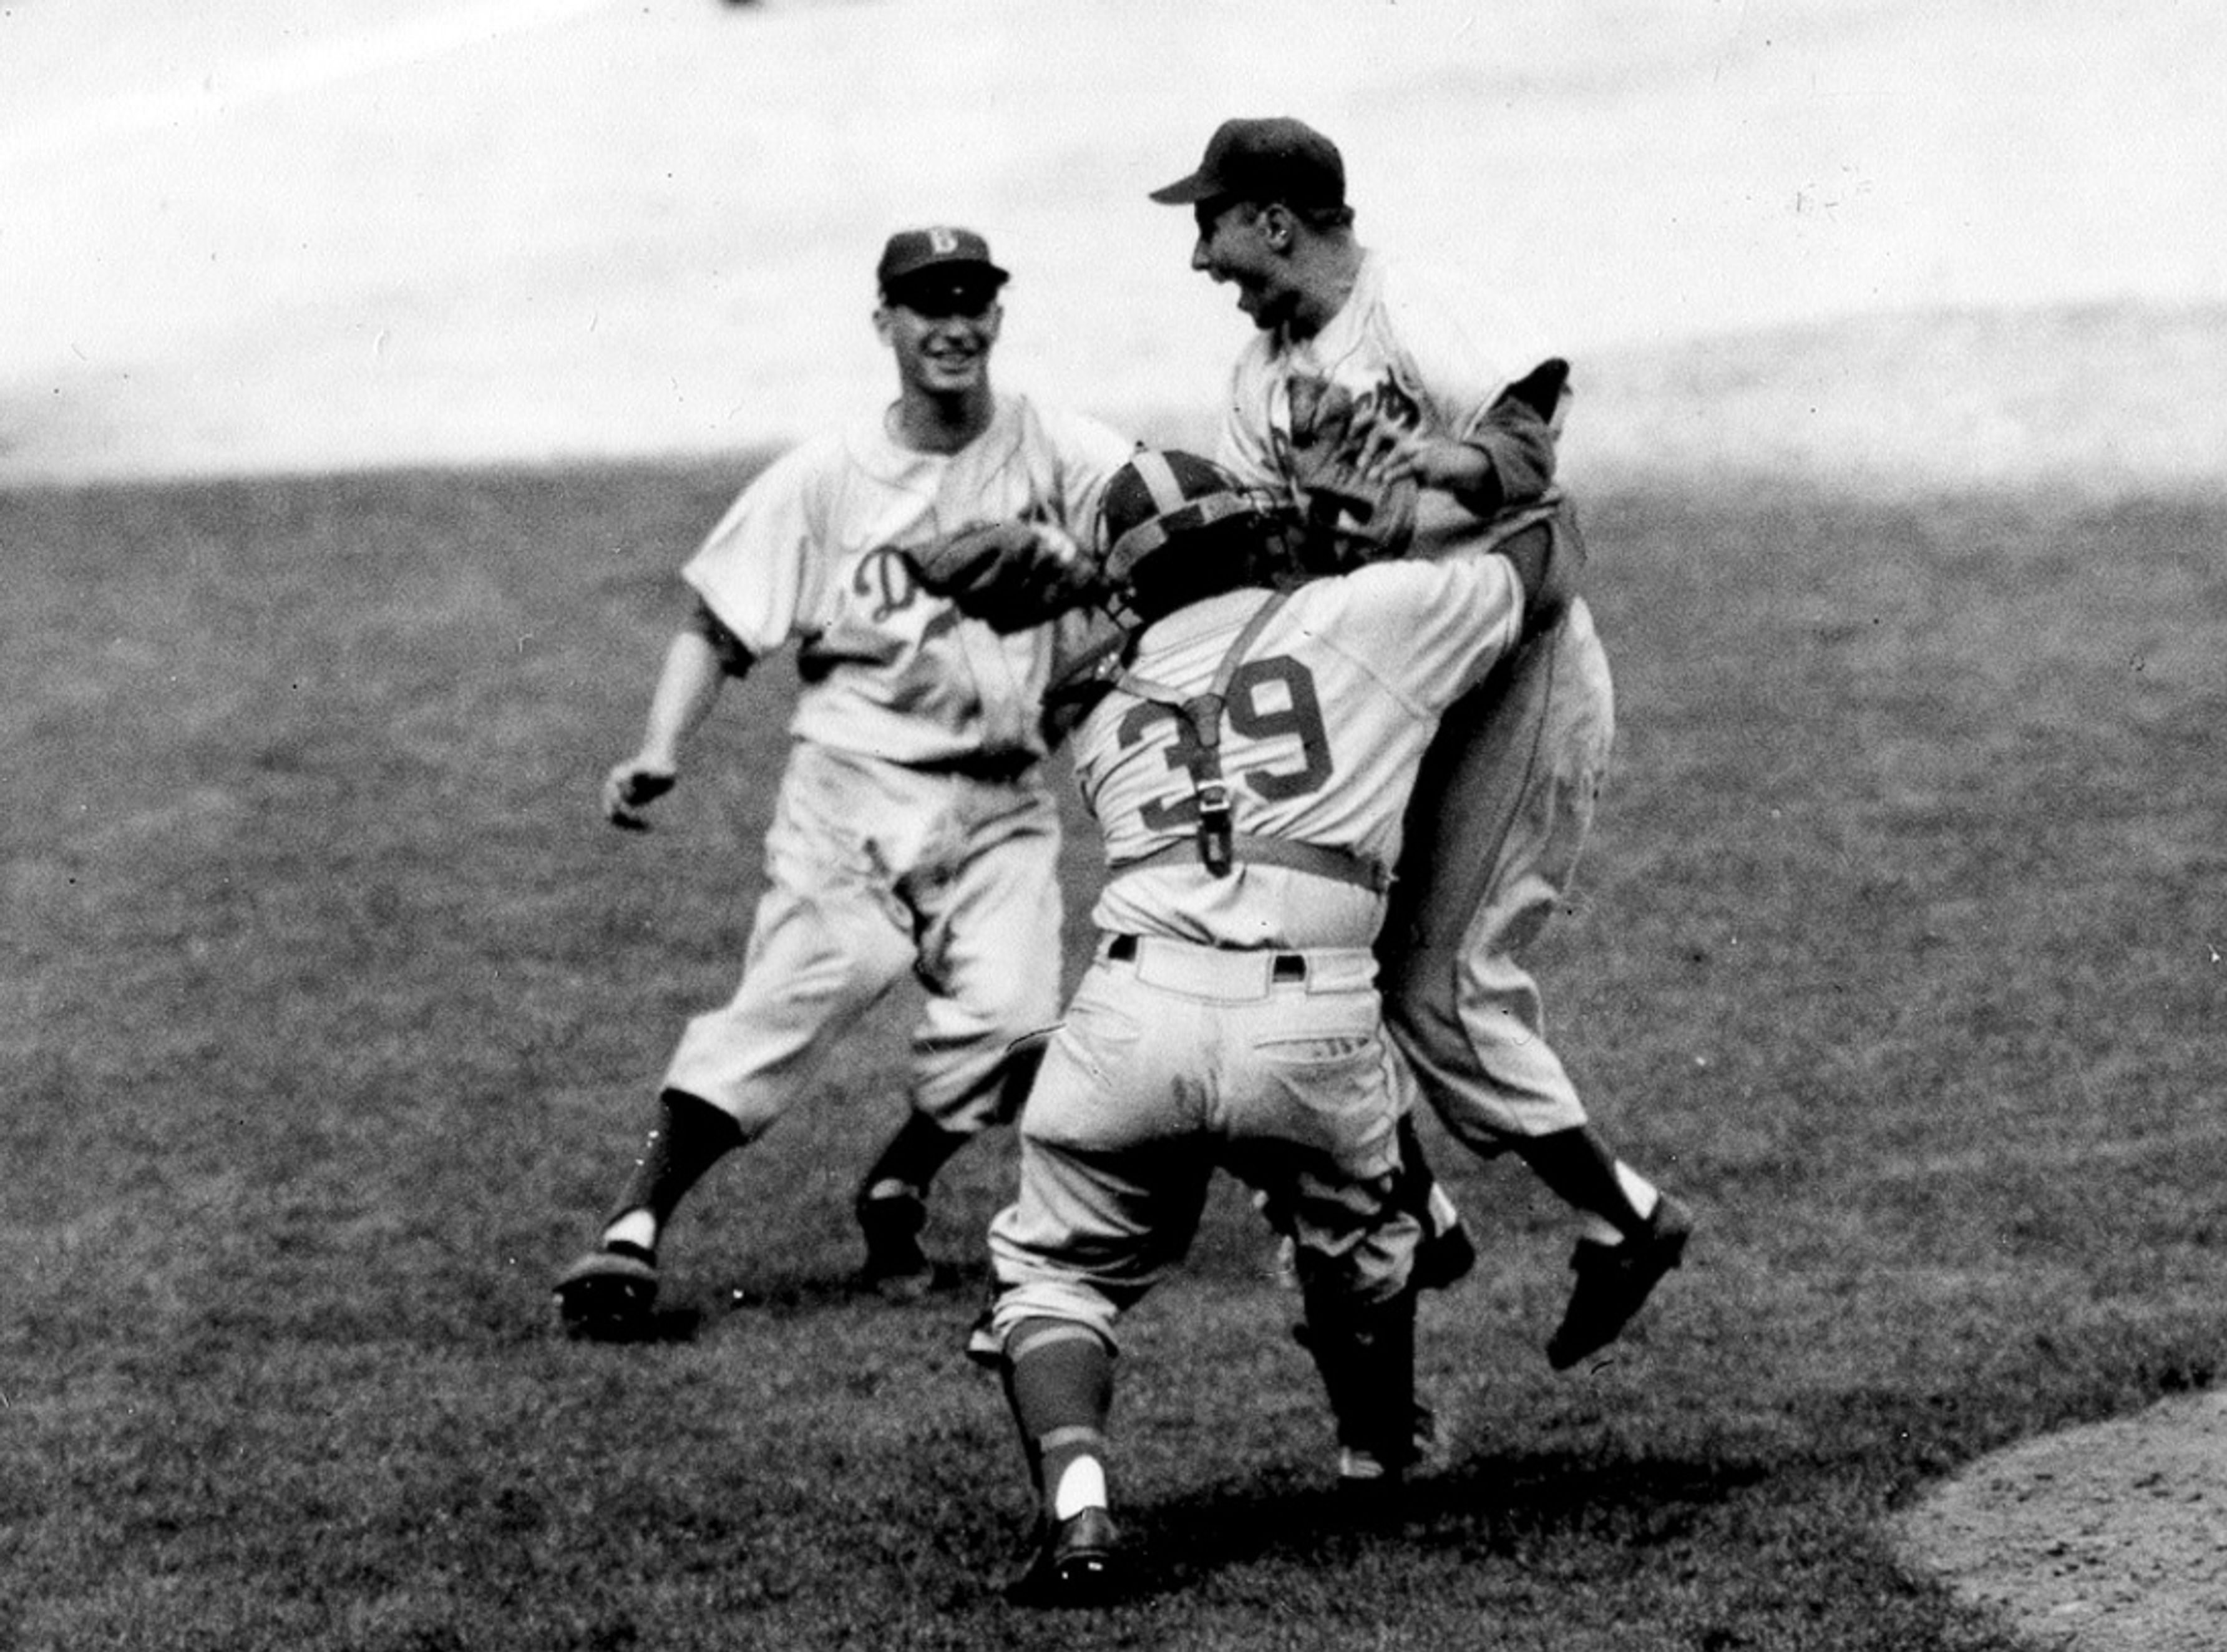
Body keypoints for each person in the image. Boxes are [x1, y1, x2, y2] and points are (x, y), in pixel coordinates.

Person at [967, 448, 1586, 1604]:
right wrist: (1495, 461)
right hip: (1311, 1015)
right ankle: (1376, 1447)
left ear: (1131, 585)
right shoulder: (1366, 617)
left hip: (1129, 1008)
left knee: (1053, 1273)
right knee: (1365, 1246)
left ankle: (1081, 1508)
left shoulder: (1100, 705)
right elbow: (1546, 565)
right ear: (1257, 537)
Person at [1149, 117, 1693, 1372]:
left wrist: (1422, 464)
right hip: (1397, 692)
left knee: (1438, 992)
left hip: (1514, 672)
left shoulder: (1413, 305)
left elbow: (1523, 453)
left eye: (1210, 225)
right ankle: (1422, 1211)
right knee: (1311, 954)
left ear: (1274, 218)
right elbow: (1277, 553)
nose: (1201, 260)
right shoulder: (1255, 377)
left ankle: (1630, 1219)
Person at [552, 226, 1134, 1337]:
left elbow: (1154, 517)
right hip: (852, 790)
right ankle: (631, 1228)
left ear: (999, 318)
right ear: (887, 325)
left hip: (1003, 799)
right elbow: (717, 625)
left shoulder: (1058, 447)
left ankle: (898, 1179)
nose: (954, 324)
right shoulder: (829, 476)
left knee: (1016, 1029)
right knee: (805, 989)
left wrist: (1091, 570)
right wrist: (660, 748)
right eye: (928, 305)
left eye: (973, 301)